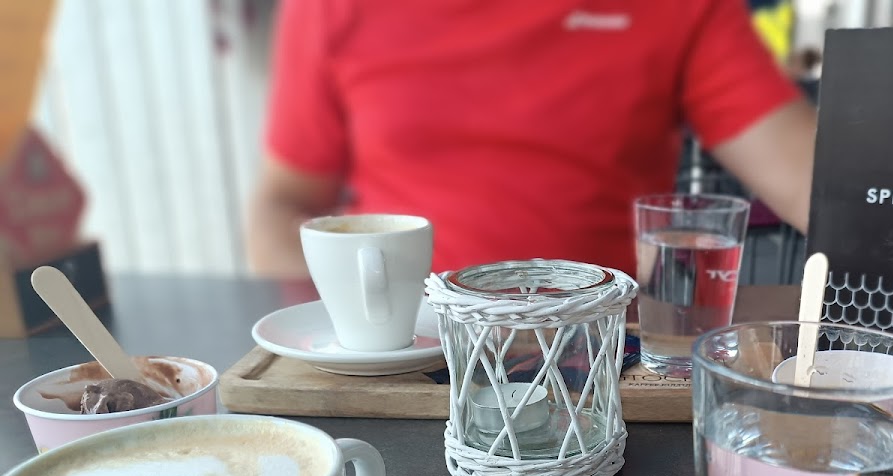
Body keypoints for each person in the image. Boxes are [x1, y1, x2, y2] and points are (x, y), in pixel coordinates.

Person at [248, 0, 818, 279]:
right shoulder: (331, 7)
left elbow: (815, 183)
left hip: (599, 361)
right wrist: (351, 329)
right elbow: (283, 206)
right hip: (399, 360)